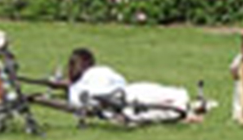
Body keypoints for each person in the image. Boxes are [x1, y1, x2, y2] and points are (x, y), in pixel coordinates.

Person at [64, 47, 201, 124]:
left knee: (155, 110)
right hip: (127, 95)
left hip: (112, 113)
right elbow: (122, 82)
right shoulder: (100, 71)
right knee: (176, 94)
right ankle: (189, 109)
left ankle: (183, 112)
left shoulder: (73, 91)